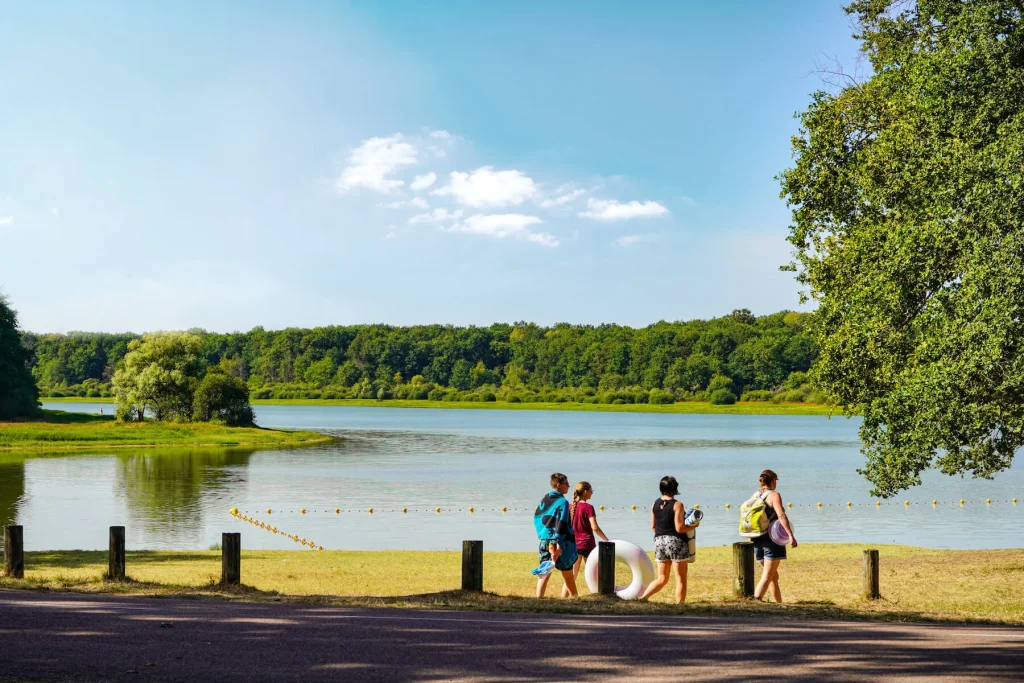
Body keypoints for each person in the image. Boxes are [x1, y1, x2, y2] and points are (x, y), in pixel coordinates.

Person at [639, 475, 700, 603]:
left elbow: (653, 526)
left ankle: (642, 598)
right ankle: (679, 606)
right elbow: (679, 528)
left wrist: (662, 537)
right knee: (681, 578)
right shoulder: (677, 505)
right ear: (675, 488)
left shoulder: (654, 504)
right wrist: (694, 525)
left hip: (659, 541)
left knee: (662, 578)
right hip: (676, 542)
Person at [751, 469, 798, 603]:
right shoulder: (774, 495)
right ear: (773, 481)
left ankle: (778, 604)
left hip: (757, 539)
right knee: (767, 576)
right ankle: (754, 601)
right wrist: (790, 536)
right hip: (772, 539)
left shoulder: (755, 495)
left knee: (773, 576)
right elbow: (781, 515)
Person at [533, 472, 578, 598]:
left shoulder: (545, 499)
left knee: (544, 571)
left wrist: (542, 534)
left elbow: (537, 518)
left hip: (545, 541)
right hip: (560, 542)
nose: (568, 486)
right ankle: (575, 597)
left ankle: (539, 598)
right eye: (566, 484)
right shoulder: (563, 502)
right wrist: (558, 542)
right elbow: (561, 522)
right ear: (558, 485)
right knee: (568, 573)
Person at [561, 481, 609, 598]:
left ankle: (563, 598)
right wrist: (606, 539)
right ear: (586, 492)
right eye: (591, 491)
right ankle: (600, 596)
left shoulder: (570, 506)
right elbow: (595, 527)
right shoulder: (588, 507)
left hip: (574, 545)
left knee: (572, 575)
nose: (592, 493)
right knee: (594, 573)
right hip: (587, 545)